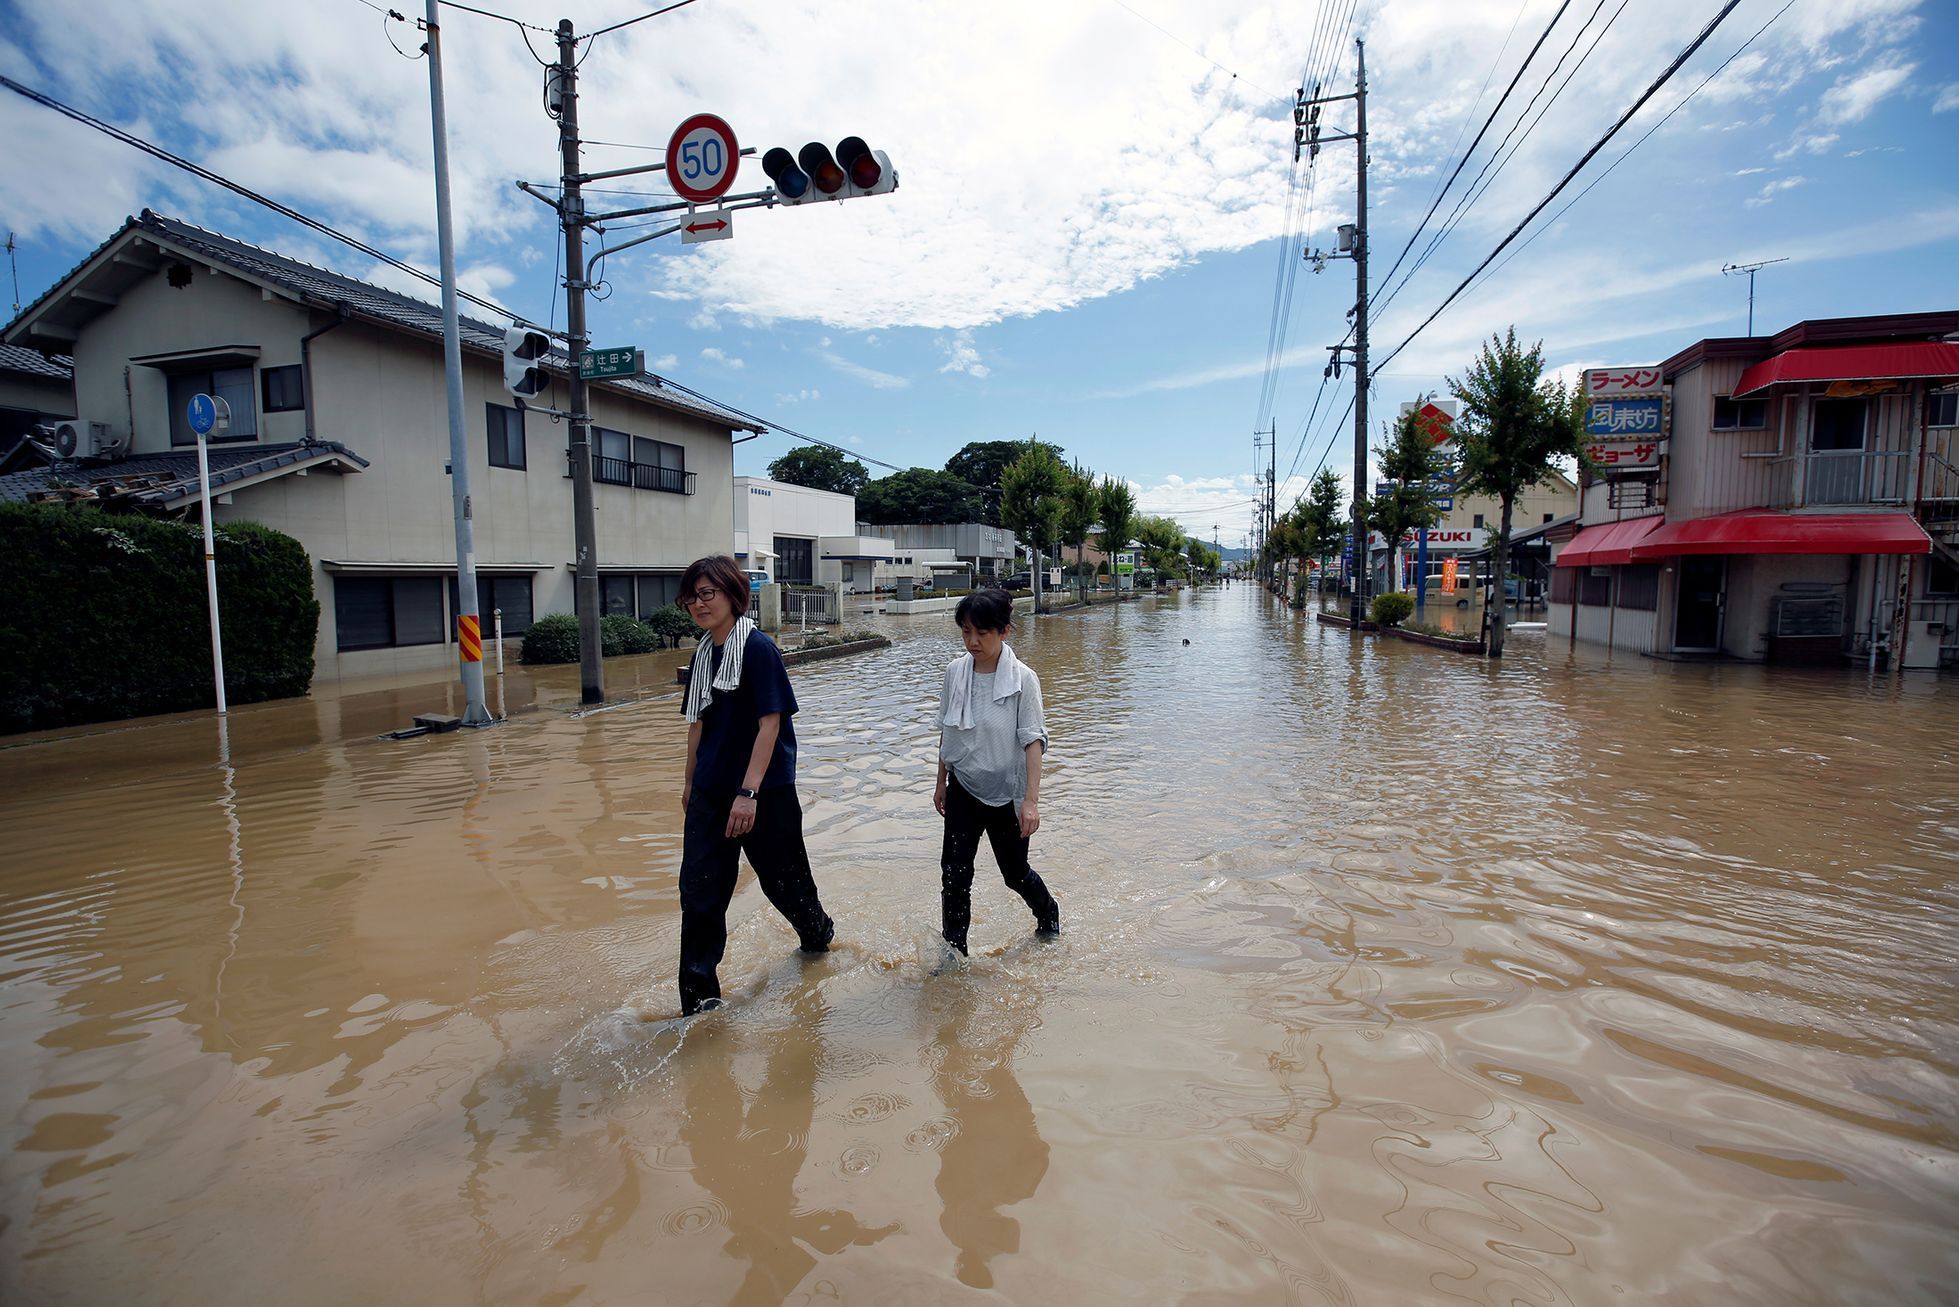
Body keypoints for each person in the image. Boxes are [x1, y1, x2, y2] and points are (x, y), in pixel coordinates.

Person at [676, 554, 833, 1014]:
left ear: (732, 595)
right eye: (692, 596)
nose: (699, 603)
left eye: (709, 593)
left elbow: (771, 723)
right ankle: (700, 1004)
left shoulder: (758, 648)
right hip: (710, 793)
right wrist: (689, 783)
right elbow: (697, 724)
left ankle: (818, 937)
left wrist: (748, 794)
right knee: (700, 894)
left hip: (765, 794)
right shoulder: (703, 653)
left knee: (786, 886)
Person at [934, 589, 1059, 955]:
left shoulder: (1024, 680)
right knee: (955, 875)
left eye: (982, 633)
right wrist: (940, 781)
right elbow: (947, 728)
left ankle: (1048, 913)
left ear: (1004, 631)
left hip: (1007, 792)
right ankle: (954, 953)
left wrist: (1031, 803)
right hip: (963, 786)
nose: (972, 641)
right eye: (966, 632)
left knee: (1014, 873)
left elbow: (1033, 742)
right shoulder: (954, 673)